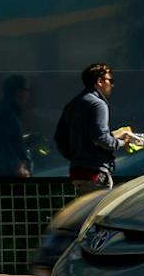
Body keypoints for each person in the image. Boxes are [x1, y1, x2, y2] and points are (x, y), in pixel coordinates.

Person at [55, 62, 136, 190]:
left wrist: (78, 157)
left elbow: (60, 138)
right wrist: (122, 143)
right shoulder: (98, 104)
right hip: (96, 173)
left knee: (88, 208)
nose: (112, 85)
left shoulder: (73, 104)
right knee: (100, 208)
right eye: (110, 80)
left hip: (77, 171)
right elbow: (99, 137)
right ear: (99, 81)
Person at [0, 75, 33, 179]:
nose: (28, 94)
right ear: (18, 92)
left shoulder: (9, 111)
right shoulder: (5, 113)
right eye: (27, 90)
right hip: (9, 173)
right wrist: (17, 166)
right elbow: (2, 142)